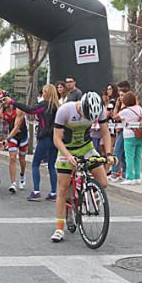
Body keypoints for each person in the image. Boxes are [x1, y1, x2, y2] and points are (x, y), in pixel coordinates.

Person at [51, 91, 113, 242]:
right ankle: (59, 228)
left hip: (86, 148)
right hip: (67, 150)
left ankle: (86, 193)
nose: (88, 119)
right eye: (86, 116)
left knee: (103, 183)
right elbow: (57, 139)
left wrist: (109, 154)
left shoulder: (100, 110)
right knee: (63, 188)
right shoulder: (65, 111)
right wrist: (68, 156)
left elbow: (105, 133)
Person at [25, 84, 60, 201]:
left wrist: (13, 102)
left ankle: (36, 191)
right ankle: (54, 192)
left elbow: (29, 110)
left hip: (44, 138)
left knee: (35, 164)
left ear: (48, 93)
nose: (43, 94)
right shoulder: (57, 106)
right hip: (55, 139)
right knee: (51, 166)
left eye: (44, 92)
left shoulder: (43, 105)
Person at [116, 91, 142, 184]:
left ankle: (130, 177)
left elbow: (115, 117)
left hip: (129, 135)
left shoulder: (125, 111)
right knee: (138, 157)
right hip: (140, 135)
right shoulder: (139, 108)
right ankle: (137, 177)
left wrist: (120, 107)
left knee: (129, 157)